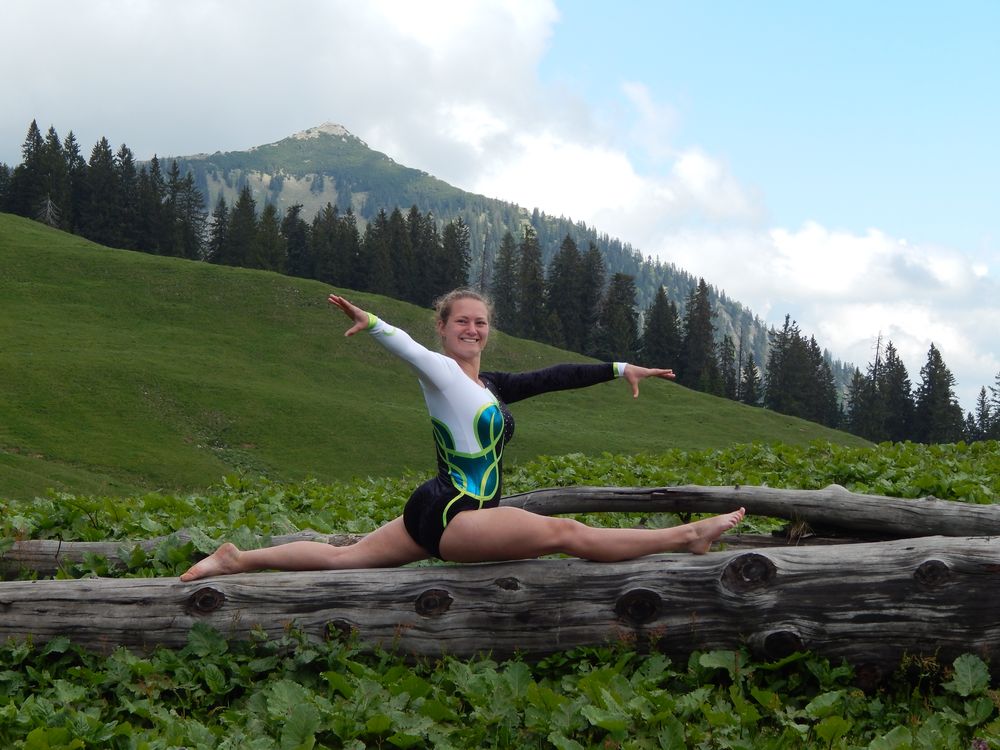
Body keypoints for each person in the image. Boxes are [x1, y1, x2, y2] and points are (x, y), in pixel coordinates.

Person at [180, 290, 744, 581]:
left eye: (480, 322)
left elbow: (553, 377)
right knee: (564, 532)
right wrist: (371, 324)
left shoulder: (489, 384)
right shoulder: (443, 373)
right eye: (461, 322)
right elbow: (407, 347)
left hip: (436, 504)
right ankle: (688, 536)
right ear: (443, 328)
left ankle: (238, 559)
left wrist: (621, 369)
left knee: (342, 559)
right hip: (457, 513)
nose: (472, 329)